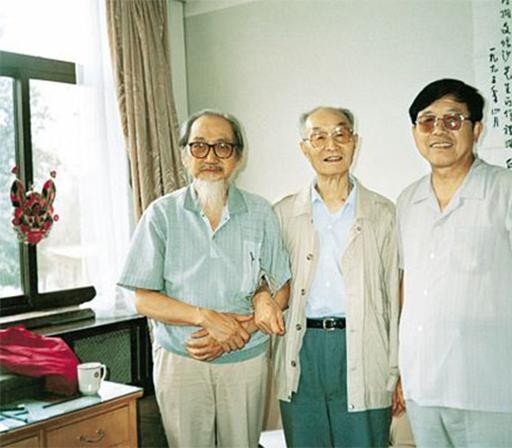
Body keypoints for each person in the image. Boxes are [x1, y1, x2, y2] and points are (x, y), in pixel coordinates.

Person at [396, 79, 512, 447]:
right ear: (415, 132)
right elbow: (410, 288)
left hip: (490, 386)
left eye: (453, 120)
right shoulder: (407, 201)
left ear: (477, 129)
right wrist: (403, 372)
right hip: (423, 386)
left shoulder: (511, 190)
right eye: (427, 121)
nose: (439, 130)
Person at [118, 110, 291, 447]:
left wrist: (238, 331)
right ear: (185, 155)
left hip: (245, 358)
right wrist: (206, 318)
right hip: (182, 359)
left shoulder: (261, 212)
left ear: (238, 157)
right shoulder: (161, 214)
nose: (211, 157)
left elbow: (281, 288)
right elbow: (142, 299)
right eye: (199, 146)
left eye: (222, 147)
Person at [273, 106, 402, 447]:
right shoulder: (283, 214)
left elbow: (396, 297)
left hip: (365, 347)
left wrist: (398, 370)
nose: (331, 145)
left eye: (340, 134)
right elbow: (269, 284)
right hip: (303, 349)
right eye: (318, 137)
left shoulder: (384, 213)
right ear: (304, 148)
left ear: (354, 142)